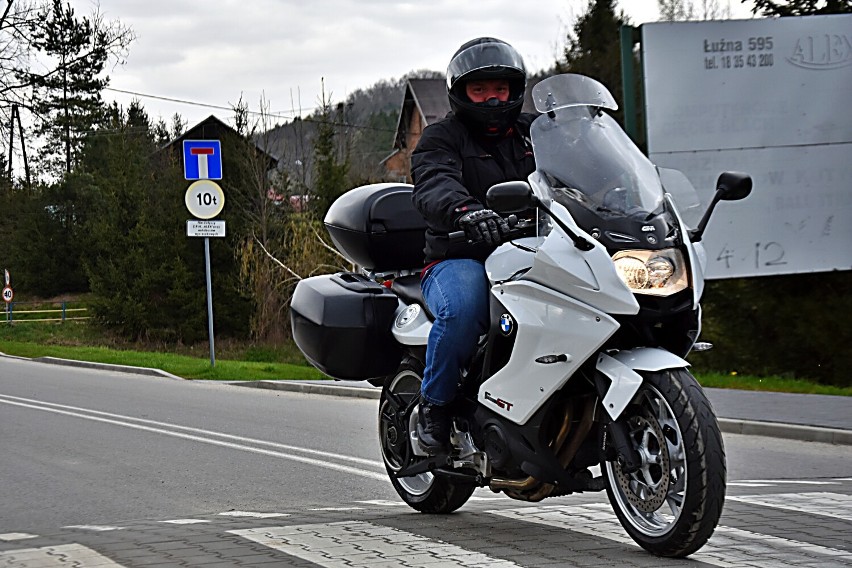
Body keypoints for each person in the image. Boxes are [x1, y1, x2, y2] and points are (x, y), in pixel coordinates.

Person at [411, 37, 537, 454]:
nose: (491, 98)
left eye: (499, 87)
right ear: (461, 93)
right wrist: (467, 211)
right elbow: (433, 182)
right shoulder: (441, 137)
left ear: (514, 89)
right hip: (460, 255)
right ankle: (436, 409)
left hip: (535, 252)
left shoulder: (536, 133)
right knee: (463, 308)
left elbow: (585, 168)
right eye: (479, 89)